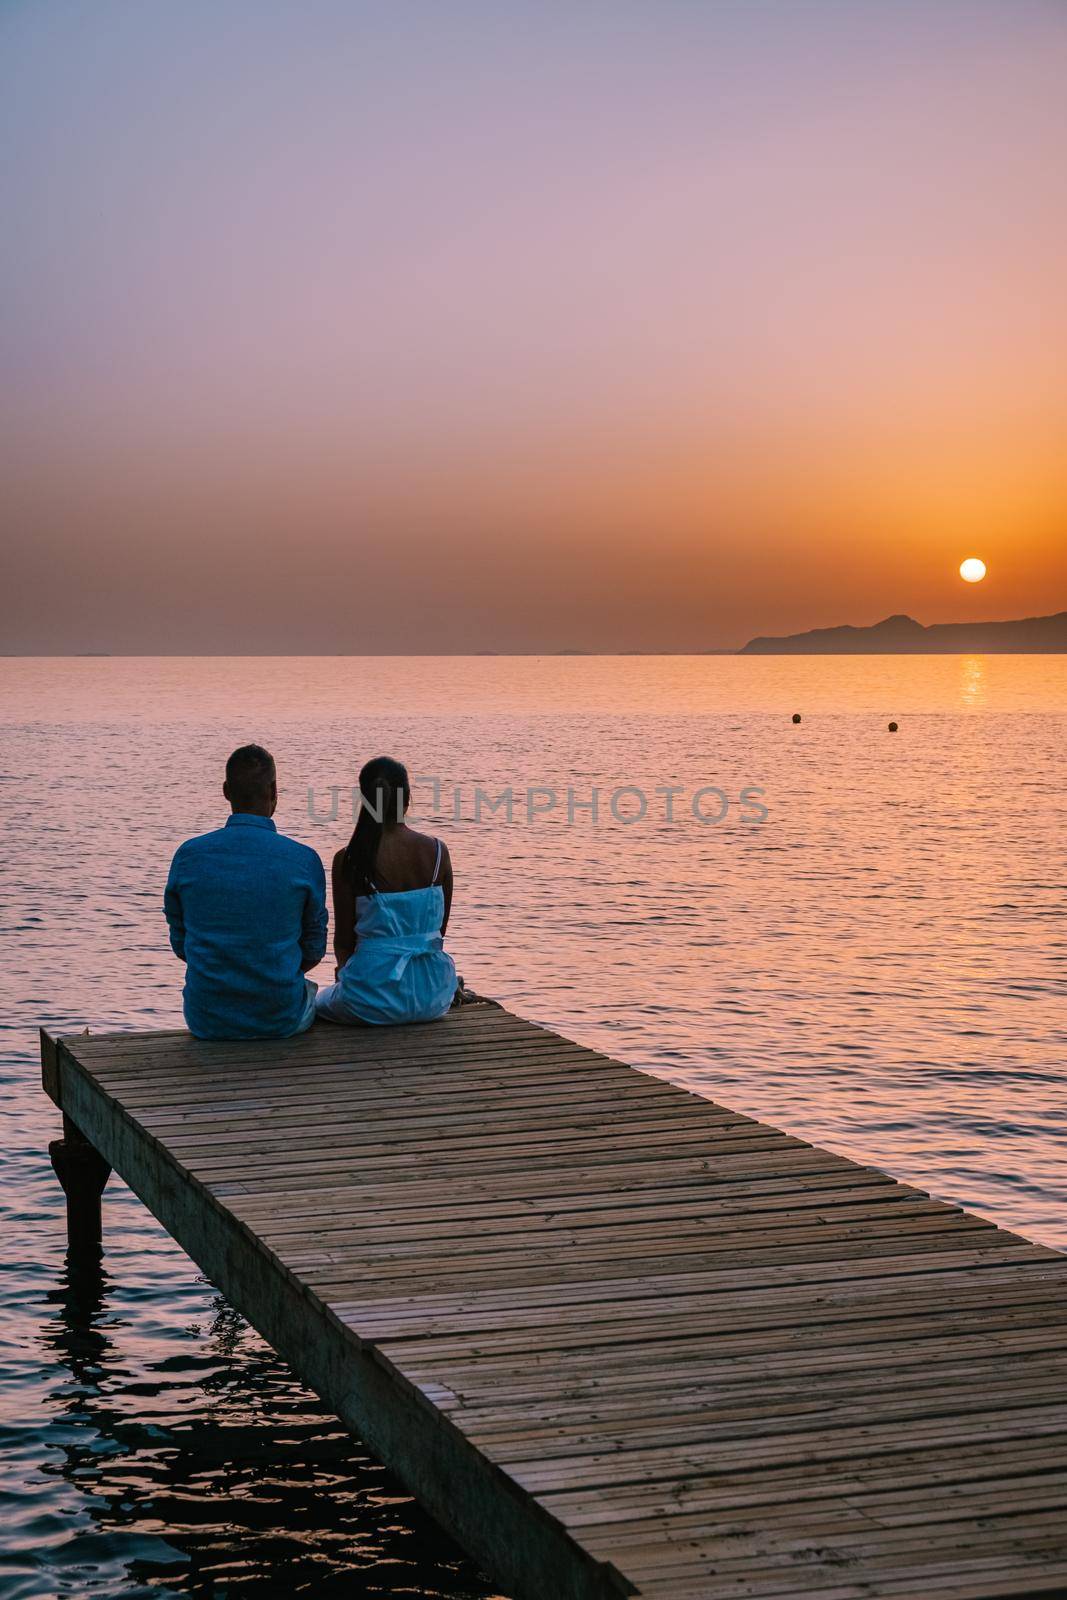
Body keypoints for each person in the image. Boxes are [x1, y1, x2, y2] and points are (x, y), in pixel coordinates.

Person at [164, 745, 328, 1039]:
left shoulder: (189, 856)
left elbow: (181, 944)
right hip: (280, 1017)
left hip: (207, 1020)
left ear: (226, 791)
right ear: (275, 790)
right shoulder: (303, 860)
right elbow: (314, 949)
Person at [315, 756, 457, 1026]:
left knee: (317, 1002)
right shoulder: (438, 852)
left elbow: (344, 942)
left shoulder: (349, 859)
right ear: (407, 798)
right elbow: (439, 932)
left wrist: (346, 978)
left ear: (365, 800)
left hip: (371, 999)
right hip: (433, 996)